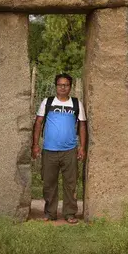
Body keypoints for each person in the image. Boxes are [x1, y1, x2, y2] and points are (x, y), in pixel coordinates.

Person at [32, 73, 87, 224]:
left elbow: (82, 125)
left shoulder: (76, 104)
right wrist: (35, 145)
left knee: (70, 183)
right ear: (56, 86)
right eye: (60, 85)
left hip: (70, 150)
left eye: (66, 85)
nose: (63, 87)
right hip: (49, 149)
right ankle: (50, 213)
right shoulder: (47, 102)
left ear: (70, 87)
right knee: (49, 183)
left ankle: (70, 214)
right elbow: (38, 123)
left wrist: (82, 147)